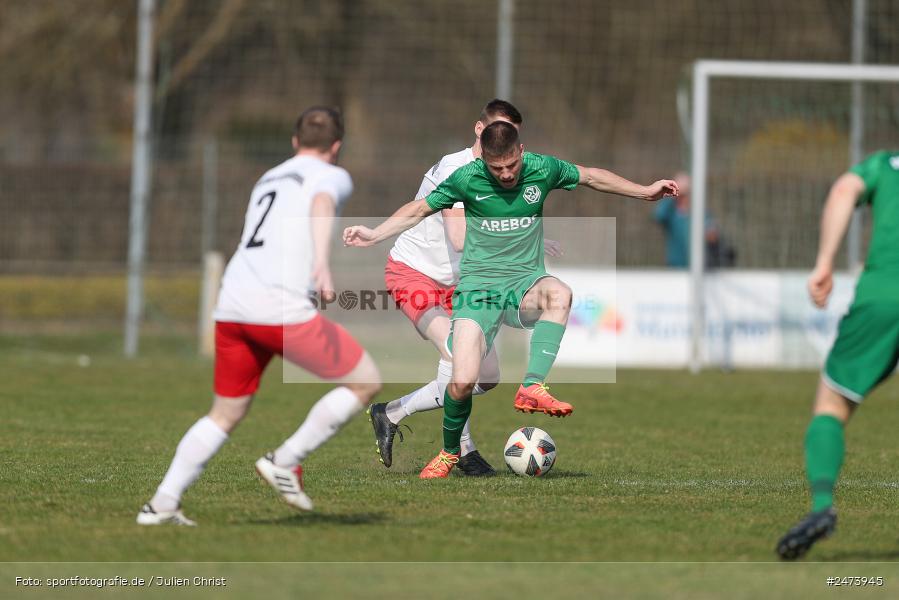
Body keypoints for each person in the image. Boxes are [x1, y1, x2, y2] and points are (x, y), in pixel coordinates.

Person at [345, 121, 677, 479]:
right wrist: (374, 233)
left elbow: (592, 176)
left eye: (511, 166)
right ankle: (450, 452)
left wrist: (645, 192)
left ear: (521, 151)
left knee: (559, 294)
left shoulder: (542, 167)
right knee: (464, 379)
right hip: (478, 292)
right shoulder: (465, 177)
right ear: (484, 159)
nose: (505, 174)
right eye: (496, 167)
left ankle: (533, 385)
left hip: (522, 283)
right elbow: (418, 209)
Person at [137, 107, 381, 525]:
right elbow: (322, 202)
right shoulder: (332, 175)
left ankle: (161, 503)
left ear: (293, 140)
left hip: (232, 304)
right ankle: (285, 460)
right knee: (366, 381)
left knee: (224, 413)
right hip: (278, 307)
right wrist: (323, 262)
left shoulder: (269, 177)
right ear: (336, 147)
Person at [368, 100, 520, 477]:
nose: (501, 141)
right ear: (479, 130)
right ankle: (463, 453)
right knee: (456, 356)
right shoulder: (458, 170)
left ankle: (392, 412)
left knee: (486, 377)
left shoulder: (500, 173)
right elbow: (458, 237)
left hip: (459, 285)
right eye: (495, 131)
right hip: (414, 272)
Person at [776, 150, 899, 559]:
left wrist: (824, 263)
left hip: (883, 297)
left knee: (831, 405)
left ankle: (821, 508)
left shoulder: (886, 165)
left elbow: (844, 188)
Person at [653, 171, 733, 268]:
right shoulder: (672, 213)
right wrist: (671, 194)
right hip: (675, 266)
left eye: (685, 193)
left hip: (698, 267)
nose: (682, 197)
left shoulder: (700, 213)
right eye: (679, 194)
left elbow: (712, 233)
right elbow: (658, 215)